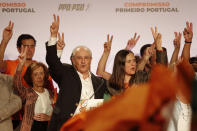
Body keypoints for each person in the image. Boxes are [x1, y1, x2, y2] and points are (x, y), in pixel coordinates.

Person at [46, 14, 106, 131]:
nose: (83, 61)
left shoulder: (99, 82)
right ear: (73, 60)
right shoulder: (66, 74)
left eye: (86, 58)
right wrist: (53, 36)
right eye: (79, 58)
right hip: (67, 126)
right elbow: (53, 64)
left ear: (91, 60)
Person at [0, 21, 56, 129]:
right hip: (11, 117)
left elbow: (51, 96)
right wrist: (5, 41)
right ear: (18, 48)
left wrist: (50, 116)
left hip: (37, 120)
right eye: (26, 46)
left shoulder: (40, 68)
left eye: (32, 46)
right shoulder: (11, 65)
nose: (29, 50)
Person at [13, 47, 54, 131]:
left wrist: (49, 118)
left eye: (41, 73)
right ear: (31, 77)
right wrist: (20, 65)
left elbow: (58, 114)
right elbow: (17, 84)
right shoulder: (27, 93)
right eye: (35, 74)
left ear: (45, 75)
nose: (39, 77)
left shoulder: (50, 93)